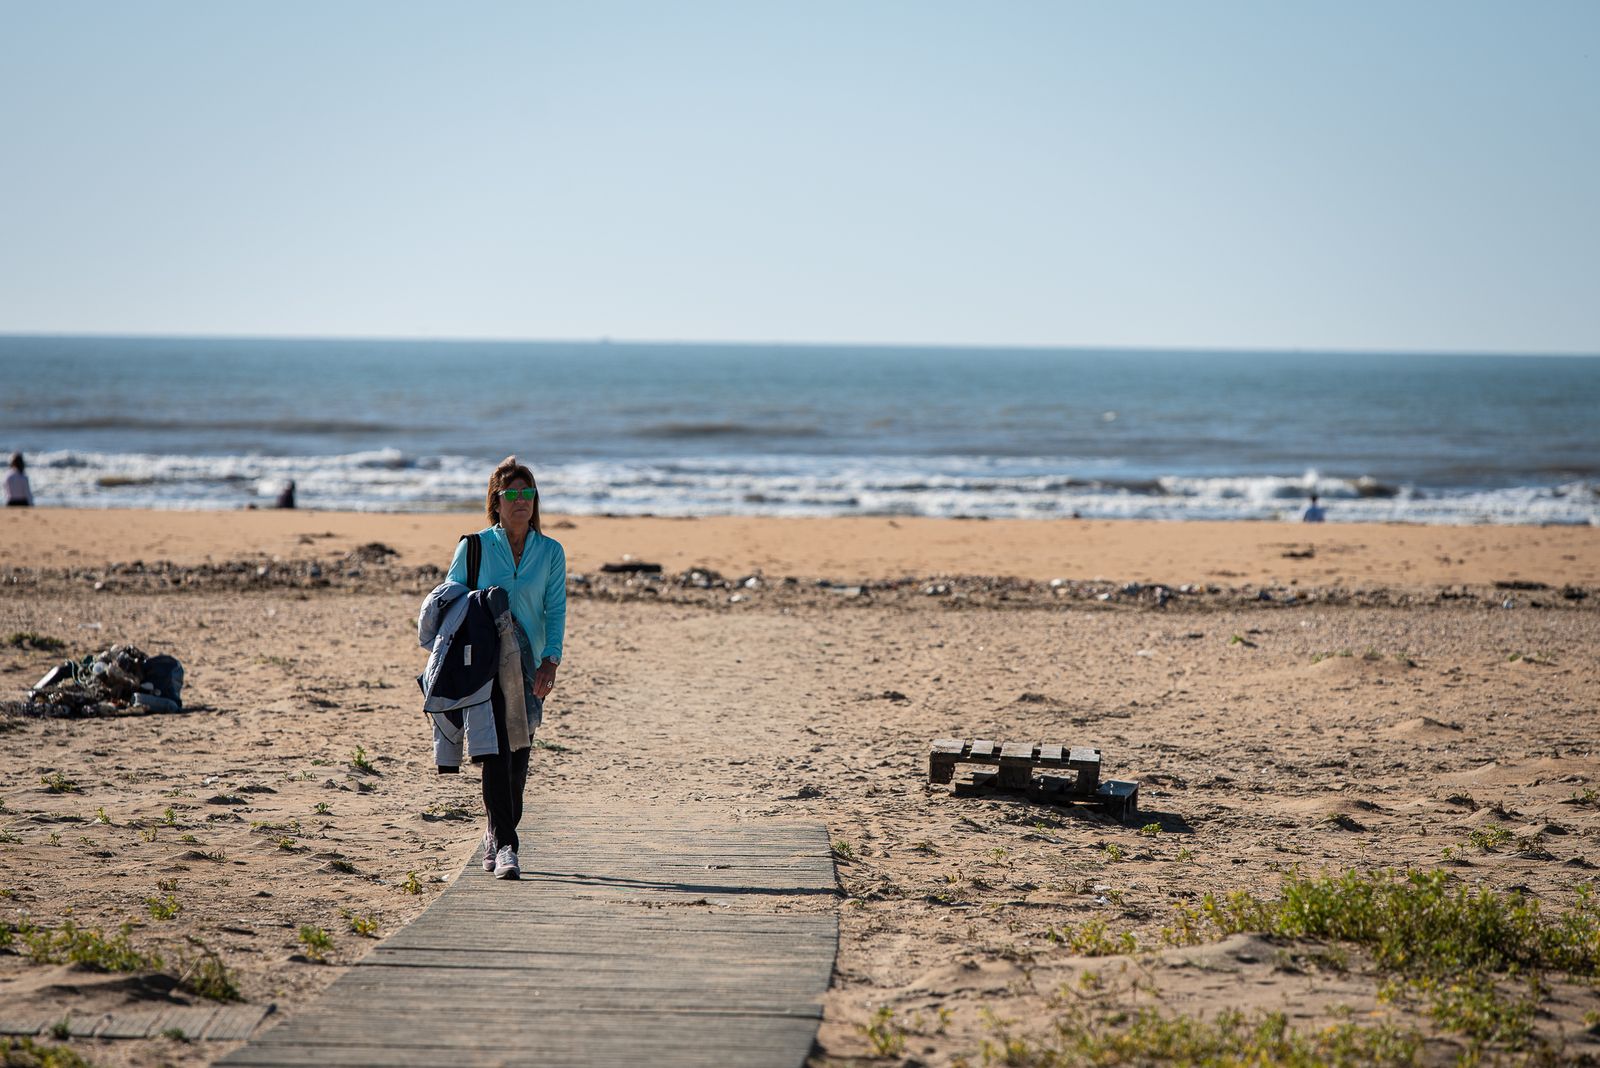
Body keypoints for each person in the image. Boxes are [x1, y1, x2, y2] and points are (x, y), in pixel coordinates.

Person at [445, 456, 566, 880]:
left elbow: (556, 608)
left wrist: (551, 658)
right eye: (511, 493)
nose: (520, 501)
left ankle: (495, 833)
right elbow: (449, 599)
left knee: (519, 757)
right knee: (496, 753)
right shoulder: (475, 546)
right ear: (496, 502)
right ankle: (508, 846)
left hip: (530, 664)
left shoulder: (550, 551)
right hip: (484, 663)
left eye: (527, 493)